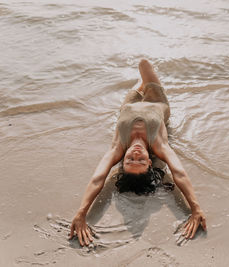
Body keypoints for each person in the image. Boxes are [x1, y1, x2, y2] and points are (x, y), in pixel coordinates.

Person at [69, 59, 207, 246]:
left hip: (128, 105)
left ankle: (143, 83)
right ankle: (151, 80)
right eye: (140, 160)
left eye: (129, 160)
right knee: (144, 64)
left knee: (140, 77)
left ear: (121, 162)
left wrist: (81, 213)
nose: (135, 153)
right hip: (157, 100)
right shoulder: (158, 144)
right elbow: (179, 173)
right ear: (150, 163)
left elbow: (97, 178)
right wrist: (195, 209)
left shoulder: (118, 147)